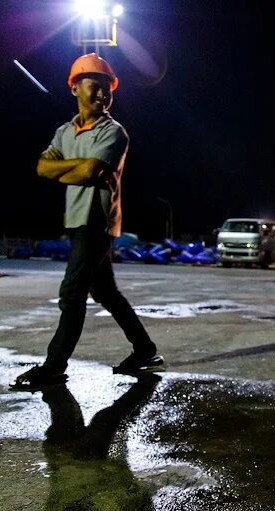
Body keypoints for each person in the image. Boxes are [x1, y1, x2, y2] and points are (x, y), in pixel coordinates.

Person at [10, 54, 163, 391]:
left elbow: (91, 171)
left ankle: (53, 366)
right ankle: (146, 351)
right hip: (76, 221)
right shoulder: (64, 131)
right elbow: (41, 168)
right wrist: (75, 168)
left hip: (98, 223)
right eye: (95, 88)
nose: (102, 96)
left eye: (107, 91)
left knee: (72, 293)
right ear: (75, 87)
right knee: (106, 292)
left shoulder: (114, 132)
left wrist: (68, 168)